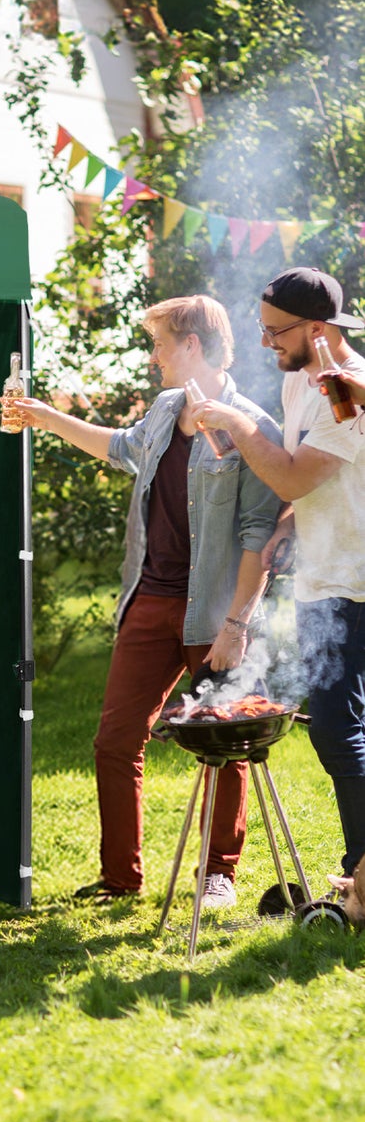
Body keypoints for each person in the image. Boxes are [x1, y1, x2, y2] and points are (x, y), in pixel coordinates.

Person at [11, 296, 283, 908]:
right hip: (149, 600)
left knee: (222, 743)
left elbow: (259, 537)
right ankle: (120, 878)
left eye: (160, 342)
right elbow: (122, 448)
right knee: (114, 740)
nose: (153, 354)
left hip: (216, 613)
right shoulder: (165, 409)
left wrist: (237, 623)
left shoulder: (252, 428)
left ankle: (219, 873)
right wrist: (46, 416)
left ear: (191, 344)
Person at [193, 267, 365, 884]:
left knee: (339, 725)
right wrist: (290, 522)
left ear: (317, 328)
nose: (266, 344)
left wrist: (237, 424)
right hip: (325, 571)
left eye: (275, 333)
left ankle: (362, 874)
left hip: (352, 580)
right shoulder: (301, 379)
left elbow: (290, 473)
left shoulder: (344, 390)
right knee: (340, 723)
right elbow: (308, 481)